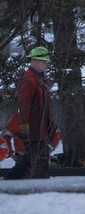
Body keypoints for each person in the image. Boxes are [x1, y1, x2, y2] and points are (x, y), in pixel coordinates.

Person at [5, 46, 58, 180]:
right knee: (33, 162)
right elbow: (24, 110)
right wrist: (25, 137)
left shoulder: (39, 80)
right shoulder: (29, 81)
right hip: (33, 134)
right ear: (36, 61)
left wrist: (49, 128)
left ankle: (11, 183)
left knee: (35, 162)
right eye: (45, 61)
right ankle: (9, 183)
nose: (47, 64)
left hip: (40, 133)